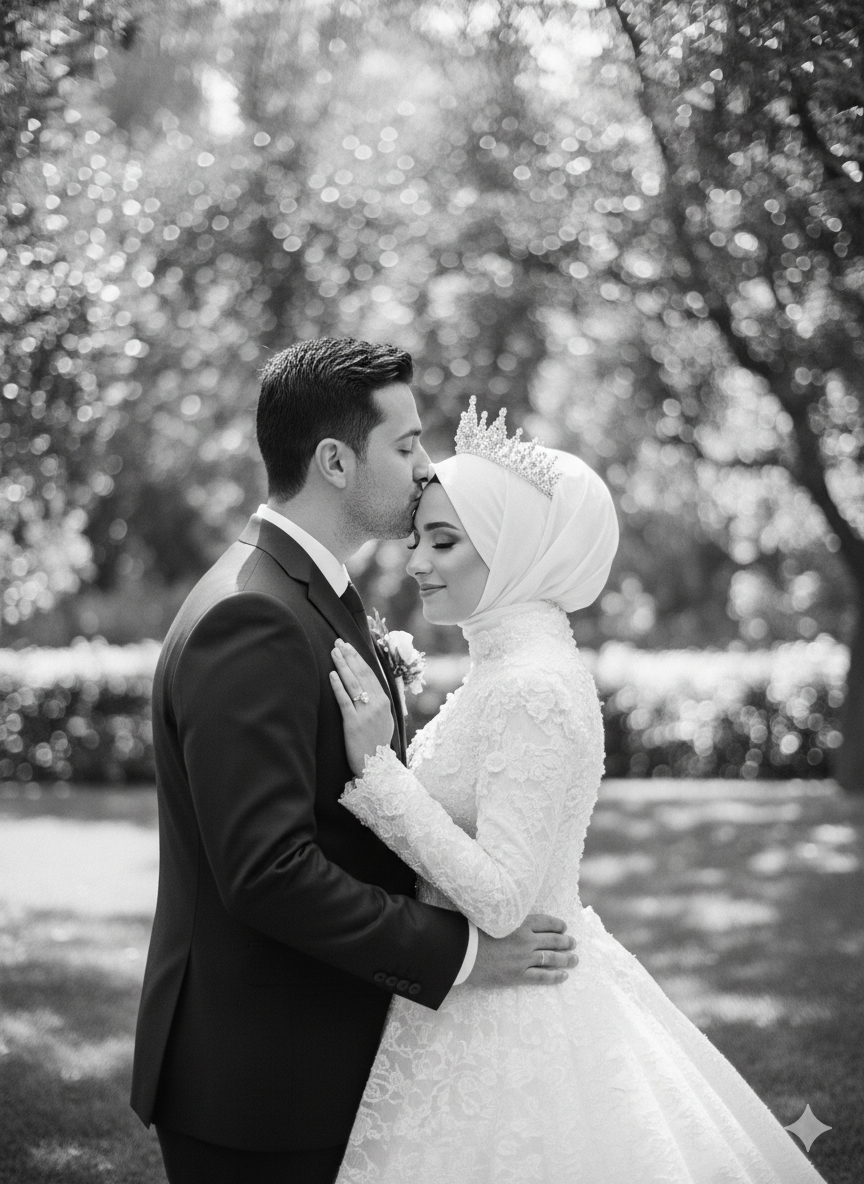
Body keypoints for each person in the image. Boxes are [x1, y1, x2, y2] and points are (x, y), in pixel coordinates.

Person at [329, 397, 830, 1183]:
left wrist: (378, 775)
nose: (418, 563)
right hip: (468, 1000)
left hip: (514, 1015)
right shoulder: (505, 671)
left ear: (515, 548)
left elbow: (501, 899)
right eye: (420, 538)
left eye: (445, 541)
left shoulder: (534, 688)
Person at [130, 340, 577, 1184]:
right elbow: (267, 870)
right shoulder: (250, 618)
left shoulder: (310, 590)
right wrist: (466, 953)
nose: (424, 467)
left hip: (318, 1050)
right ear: (335, 460)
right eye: (405, 446)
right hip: (262, 1077)